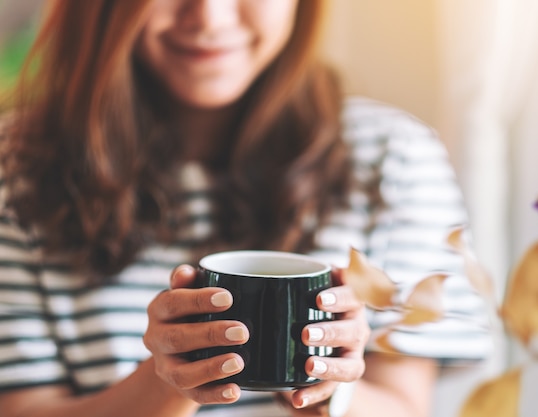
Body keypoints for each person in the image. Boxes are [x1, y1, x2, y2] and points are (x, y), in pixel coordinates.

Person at [0, 1, 492, 416]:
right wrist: (167, 382)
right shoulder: (16, 168)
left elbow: (406, 406)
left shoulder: (393, 157)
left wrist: (328, 386)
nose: (210, 18)